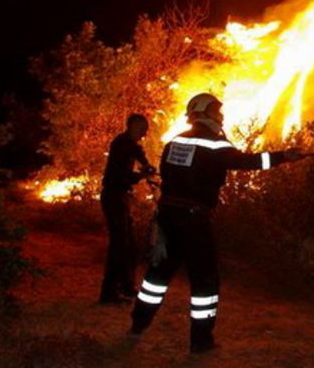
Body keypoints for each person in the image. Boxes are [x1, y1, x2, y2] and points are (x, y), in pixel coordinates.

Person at [129, 93, 302, 353]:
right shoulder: (215, 144)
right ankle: (201, 341)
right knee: (204, 281)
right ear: (203, 113)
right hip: (193, 221)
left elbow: (168, 174)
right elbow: (247, 162)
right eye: (216, 111)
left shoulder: (174, 142)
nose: (220, 116)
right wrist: (283, 157)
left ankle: (138, 324)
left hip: (167, 217)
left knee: (157, 275)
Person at [99, 113, 155, 304]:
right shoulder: (122, 144)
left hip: (120, 197)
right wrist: (141, 175)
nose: (145, 132)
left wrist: (146, 165)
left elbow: (138, 152)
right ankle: (108, 294)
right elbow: (122, 175)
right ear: (133, 126)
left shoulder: (128, 144)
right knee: (119, 245)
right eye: (143, 128)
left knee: (129, 244)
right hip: (114, 196)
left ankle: (126, 286)